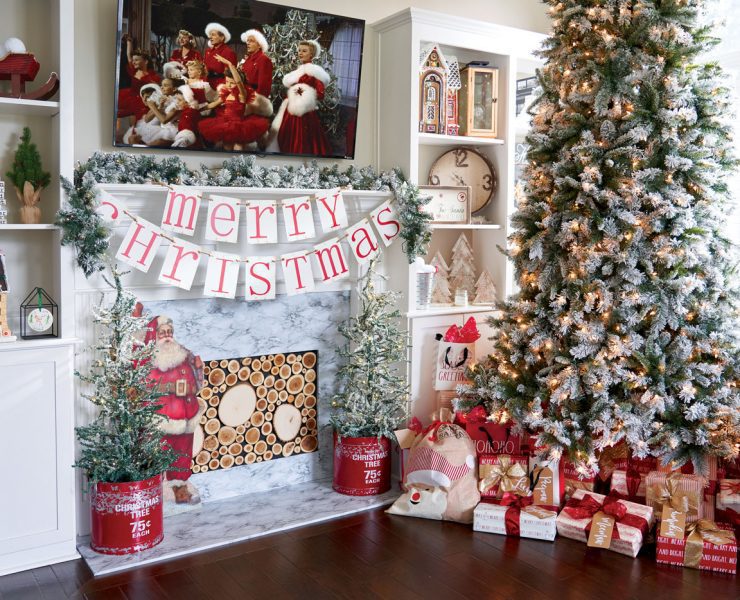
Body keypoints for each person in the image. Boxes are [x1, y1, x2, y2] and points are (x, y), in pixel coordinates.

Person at [144, 315, 204, 505]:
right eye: (163, 332)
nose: (167, 336)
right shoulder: (148, 359)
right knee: (156, 452)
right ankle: (150, 492)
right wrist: (172, 388)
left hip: (186, 414)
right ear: (155, 335)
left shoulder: (185, 354)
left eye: (169, 332)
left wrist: (196, 380)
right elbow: (144, 386)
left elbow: (198, 382)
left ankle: (180, 489)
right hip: (162, 416)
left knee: (182, 453)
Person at [269, 39, 331, 155]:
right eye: (299, 50)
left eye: (304, 51)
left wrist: (306, 96)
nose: (300, 53)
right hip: (290, 109)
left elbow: (321, 94)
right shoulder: (298, 71)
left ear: (311, 54)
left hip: (305, 113)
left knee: (303, 140)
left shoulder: (314, 72)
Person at [198, 56, 269, 151]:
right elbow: (213, 104)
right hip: (226, 124)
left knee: (238, 148)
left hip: (239, 126)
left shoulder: (241, 95)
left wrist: (230, 64)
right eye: (227, 82)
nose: (229, 85)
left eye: (232, 83)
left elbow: (239, 82)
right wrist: (199, 109)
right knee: (227, 148)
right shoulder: (226, 94)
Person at [117, 34, 161, 122]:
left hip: (141, 102)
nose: (134, 62)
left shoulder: (152, 75)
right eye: (133, 60)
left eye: (136, 60)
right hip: (129, 96)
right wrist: (129, 41)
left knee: (137, 123)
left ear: (145, 61)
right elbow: (129, 55)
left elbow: (157, 89)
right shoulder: (134, 70)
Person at [237, 29, 273, 118]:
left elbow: (264, 86)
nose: (248, 43)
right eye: (247, 41)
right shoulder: (248, 59)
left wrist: (256, 103)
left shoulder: (264, 60)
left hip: (254, 100)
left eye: (251, 41)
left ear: (259, 45)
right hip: (244, 96)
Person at [203, 22, 237, 89]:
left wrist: (223, 88)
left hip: (220, 85)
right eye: (210, 35)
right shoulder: (208, 51)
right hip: (207, 83)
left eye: (213, 35)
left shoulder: (229, 52)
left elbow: (230, 75)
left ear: (222, 37)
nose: (210, 37)